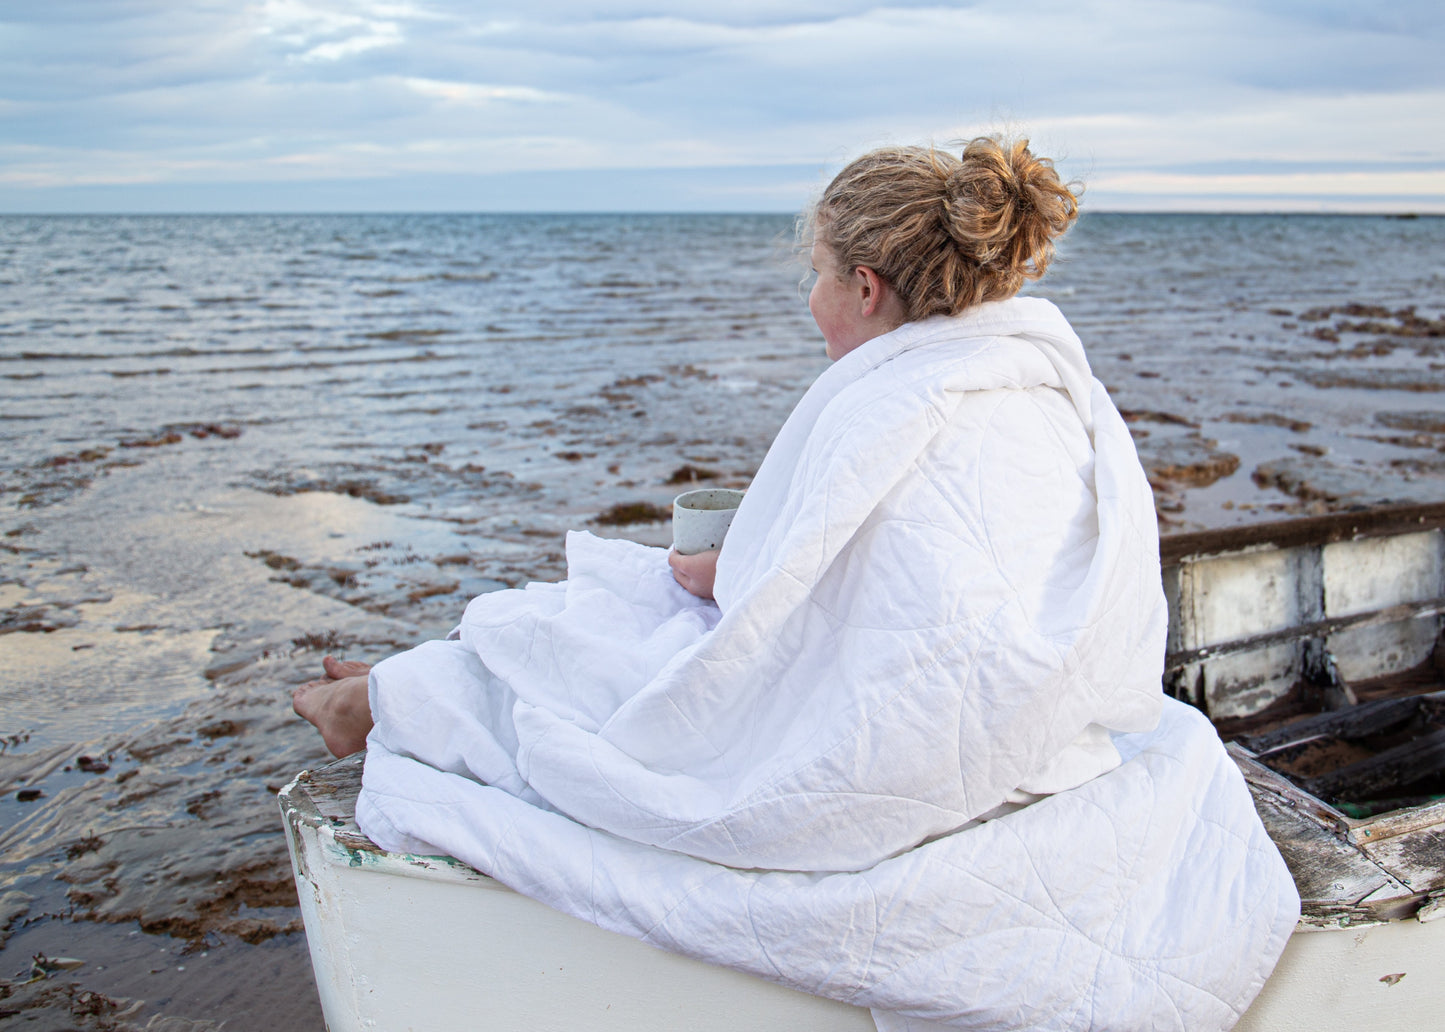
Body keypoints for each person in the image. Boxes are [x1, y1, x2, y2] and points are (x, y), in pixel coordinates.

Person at [294, 137, 1298, 1031]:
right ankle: (397, 686)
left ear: (864, 286)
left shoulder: (886, 400)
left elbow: (807, 610)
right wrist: (741, 566)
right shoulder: (1039, 378)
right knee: (605, 614)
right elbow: (908, 571)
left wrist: (721, 571)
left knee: (580, 653)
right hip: (1048, 716)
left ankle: (379, 700)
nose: (808, 299)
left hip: (932, 735)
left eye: (815, 275)